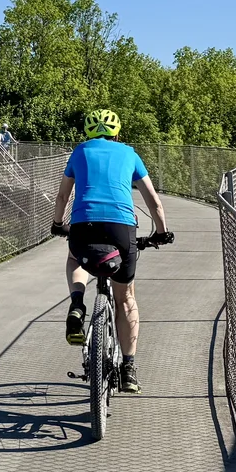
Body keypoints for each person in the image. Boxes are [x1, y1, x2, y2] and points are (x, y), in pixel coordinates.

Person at [51, 108, 168, 394]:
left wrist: (58, 224)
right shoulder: (129, 154)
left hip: (84, 225)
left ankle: (77, 303)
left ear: (89, 132)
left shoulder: (80, 151)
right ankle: (128, 368)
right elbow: (153, 200)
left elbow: (63, 195)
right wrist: (162, 232)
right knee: (125, 298)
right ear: (116, 132)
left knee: (75, 256)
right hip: (121, 229)